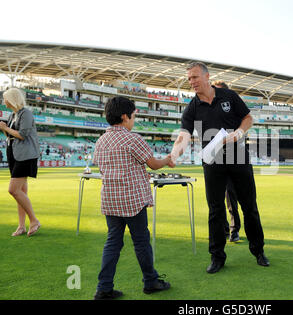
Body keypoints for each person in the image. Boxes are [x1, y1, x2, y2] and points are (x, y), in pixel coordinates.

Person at [170, 62, 269, 274]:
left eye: (195, 77)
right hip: (212, 162)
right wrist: (174, 154)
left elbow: (248, 118)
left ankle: (258, 251)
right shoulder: (192, 107)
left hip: (238, 158)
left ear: (207, 76)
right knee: (216, 210)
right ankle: (217, 257)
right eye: (189, 79)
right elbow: (183, 135)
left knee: (249, 206)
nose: (192, 82)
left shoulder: (229, 96)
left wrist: (240, 133)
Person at [93, 96, 173, 300]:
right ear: (124, 116)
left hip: (111, 199)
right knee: (141, 241)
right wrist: (167, 160)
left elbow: (107, 168)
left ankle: (104, 288)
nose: (134, 119)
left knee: (113, 242)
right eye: (133, 115)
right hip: (132, 200)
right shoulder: (132, 138)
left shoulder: (101, 140)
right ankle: (151, 281)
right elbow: (154, 164)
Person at [0, 88, 41, 237]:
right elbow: (12, 135)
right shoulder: (13, 115)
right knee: (21, 192)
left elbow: (22, 135)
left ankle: (34, 220)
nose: (3, 101)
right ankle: (21, 226)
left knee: (13, 190)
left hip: (26, 155)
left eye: (5, 98)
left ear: (11, 99)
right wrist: (4, 129)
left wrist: (5, 128)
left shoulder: (26, 113)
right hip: (14, 153)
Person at [211, 80, 241, 242]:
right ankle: (223, 230)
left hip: (232, 160)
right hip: (215, 162)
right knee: (216, 200)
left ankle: (234, 229)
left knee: (231, 198)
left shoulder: (233, 114)